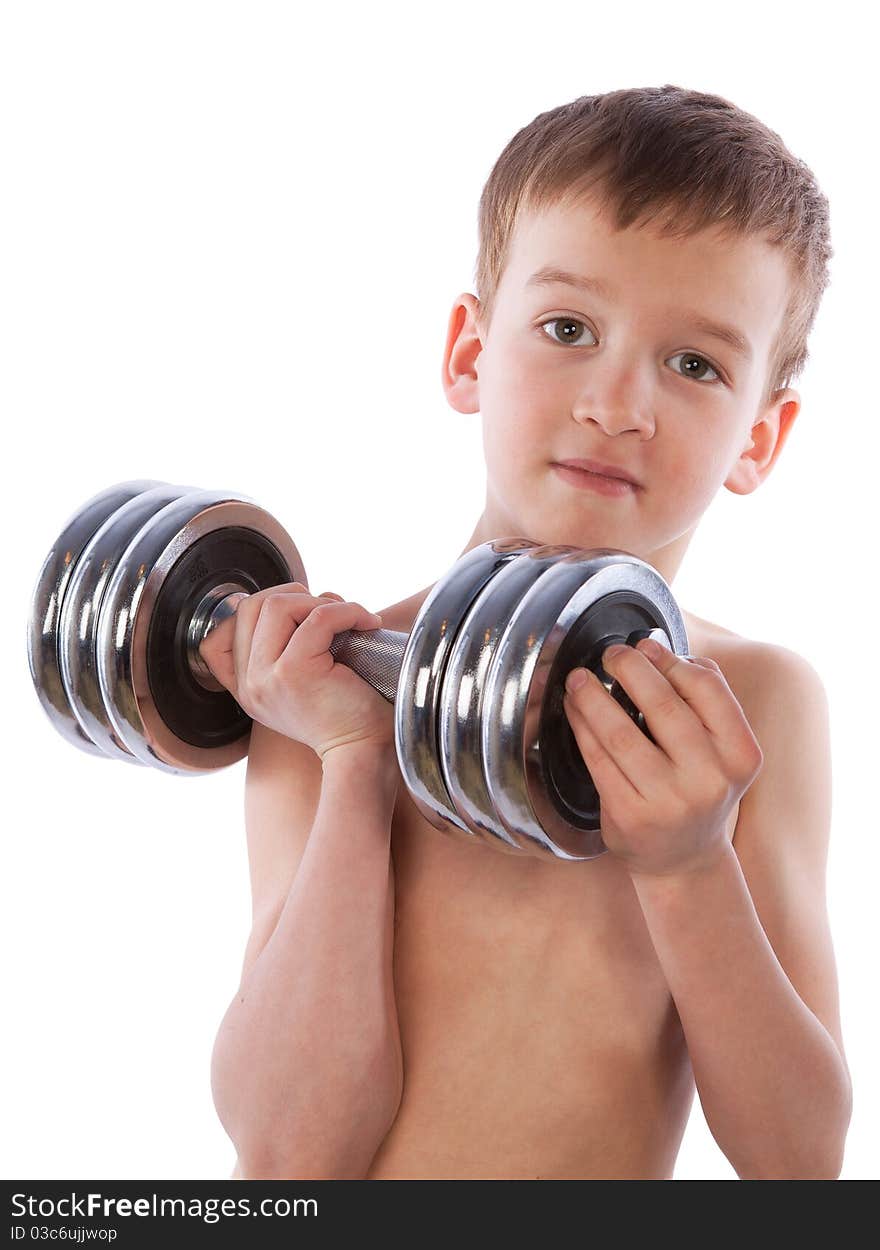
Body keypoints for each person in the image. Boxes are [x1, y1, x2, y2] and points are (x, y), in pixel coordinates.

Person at [205, 84, 852, 1180]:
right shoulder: (319, 687)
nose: (615, 401)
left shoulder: (749, 711)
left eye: (693, 363)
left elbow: (797, 1163)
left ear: (761, 436)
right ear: (468, 351)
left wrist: (689, 866)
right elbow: (292, 1151)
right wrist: (357, 761)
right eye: (567, 328)